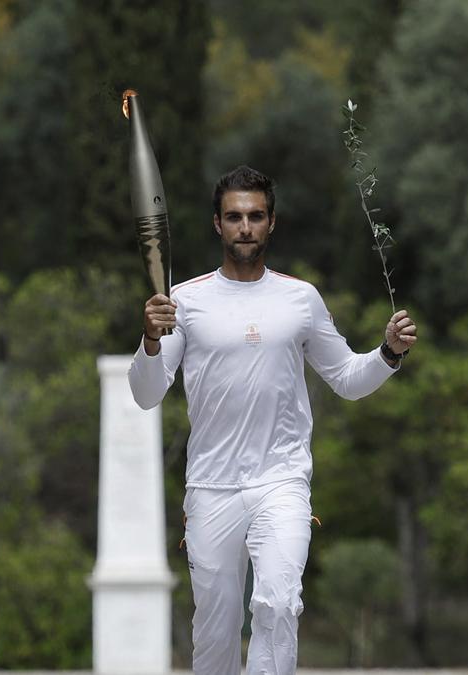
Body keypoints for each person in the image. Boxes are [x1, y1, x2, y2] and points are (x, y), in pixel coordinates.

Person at [127, 165, 417, 675]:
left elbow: (348, 379)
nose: (245, 227)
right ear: (218, 224)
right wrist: (151, 340)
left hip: (282, 481)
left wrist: (388, 353)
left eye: (255, 216)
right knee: (215, 633)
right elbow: (147, 394)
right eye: (234, 217)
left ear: (271, 223)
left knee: (279, 607)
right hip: (211, 487)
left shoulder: (300, 300)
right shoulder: (185, 302)